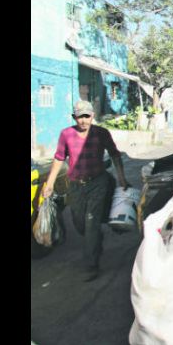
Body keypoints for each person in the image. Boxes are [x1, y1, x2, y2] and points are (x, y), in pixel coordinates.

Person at [42, 100, 130, 281]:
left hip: (98, 183)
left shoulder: (102, 133)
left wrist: (121, 178)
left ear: (92, 116)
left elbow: (115, 154)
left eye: (86, 116)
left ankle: (91, 265)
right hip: (75, 186)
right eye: (79, 116)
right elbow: (59, 158)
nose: (83, 120)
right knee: (80, 224)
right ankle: (95, 239)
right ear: (74, 117)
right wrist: (50, 183)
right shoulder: (66, 134)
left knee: (91, 223)